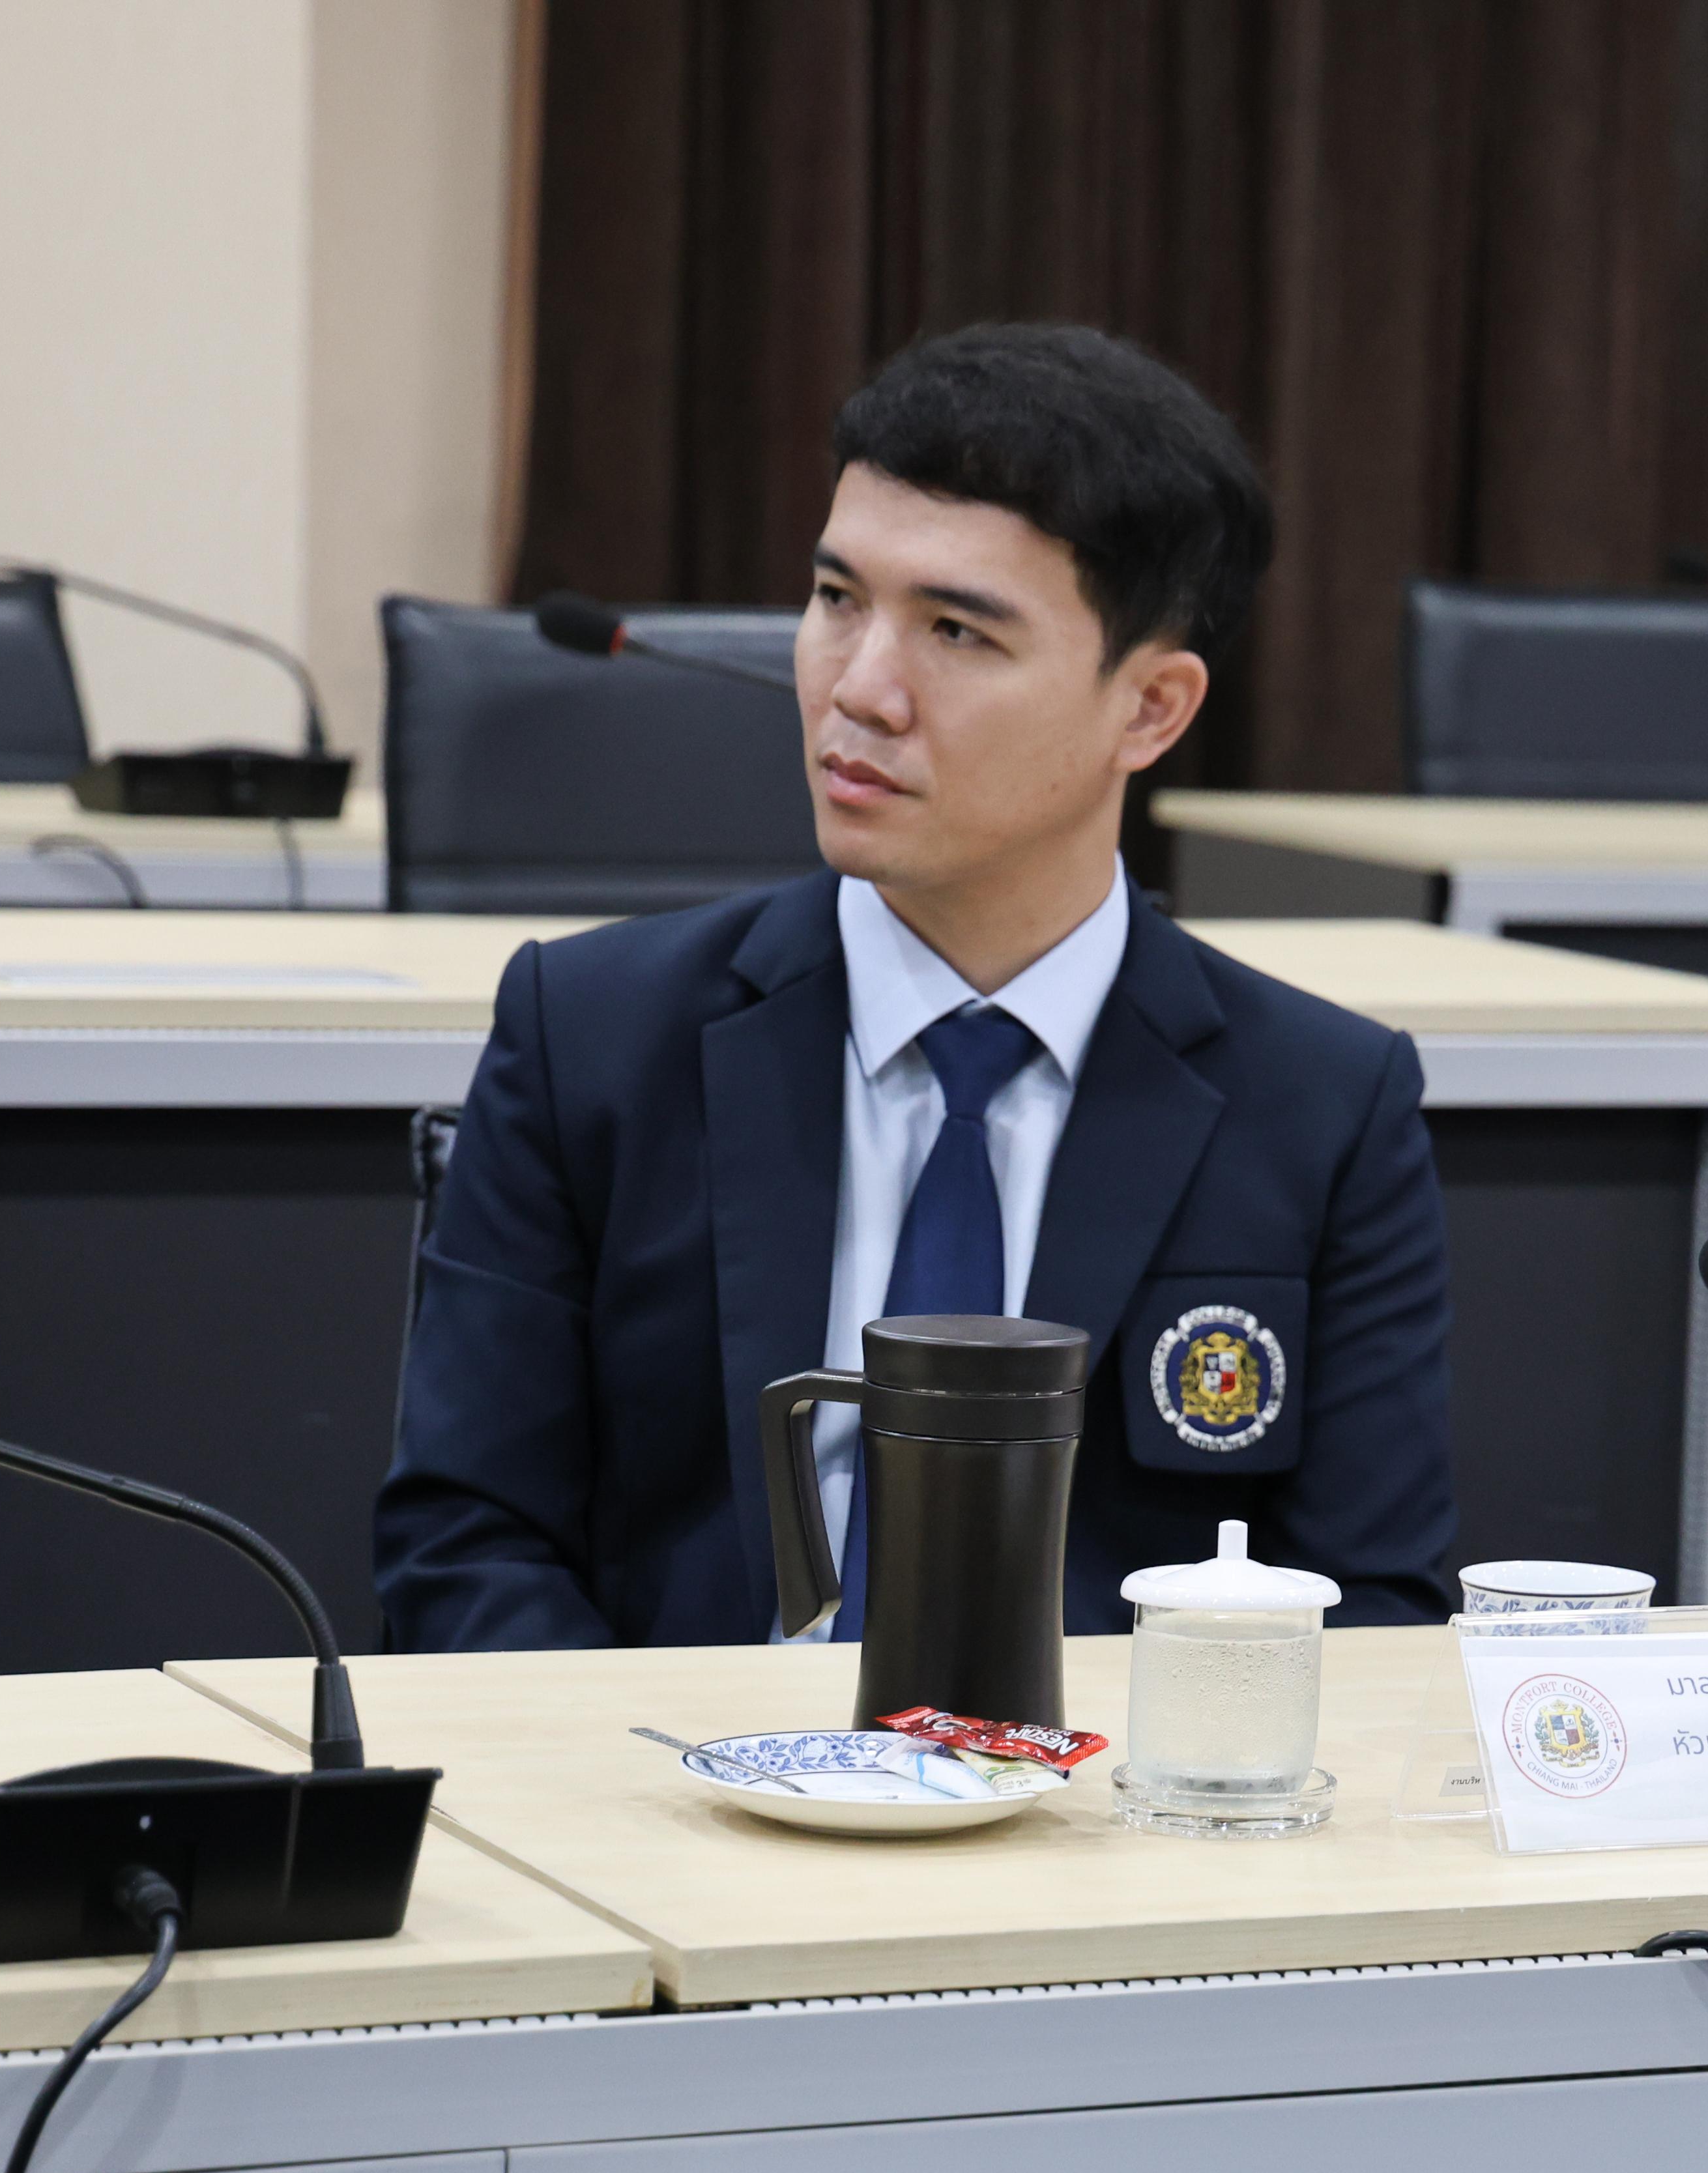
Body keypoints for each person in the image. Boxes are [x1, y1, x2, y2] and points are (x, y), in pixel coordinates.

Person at [378, 323, 1455, 1648]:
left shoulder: (1322, 1107)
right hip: (674, 1765)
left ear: (1151, 709)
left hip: (1108, 1775)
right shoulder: (593, 1036)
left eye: (955, 630)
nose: (860, 688)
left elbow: (1371, 1610)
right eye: (838, 599)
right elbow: (463, 1545)